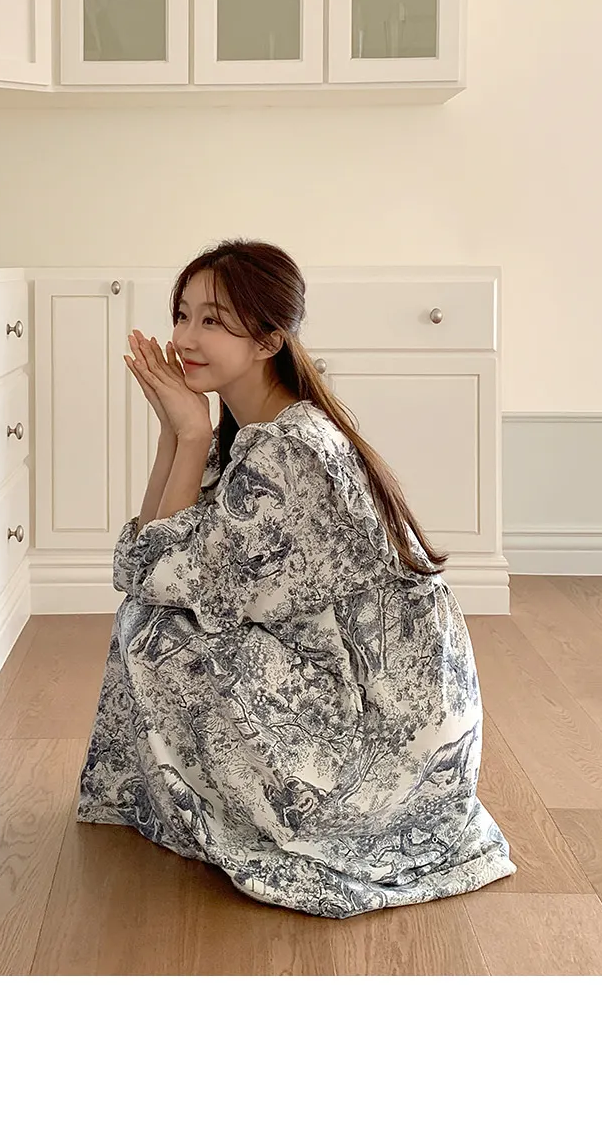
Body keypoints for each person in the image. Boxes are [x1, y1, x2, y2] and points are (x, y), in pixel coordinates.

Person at [78, 236, 514, 920]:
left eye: (212, 320)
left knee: (160, 632)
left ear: (268, 340)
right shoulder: (261, 429)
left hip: (383, 730)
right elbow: (148, 565)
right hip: (361, 690)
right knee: (154, 617)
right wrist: (176, 432)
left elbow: (154, 573)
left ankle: (262, 811)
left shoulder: (288, 452)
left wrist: (190, 437)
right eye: (182, 314)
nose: (184, 338)